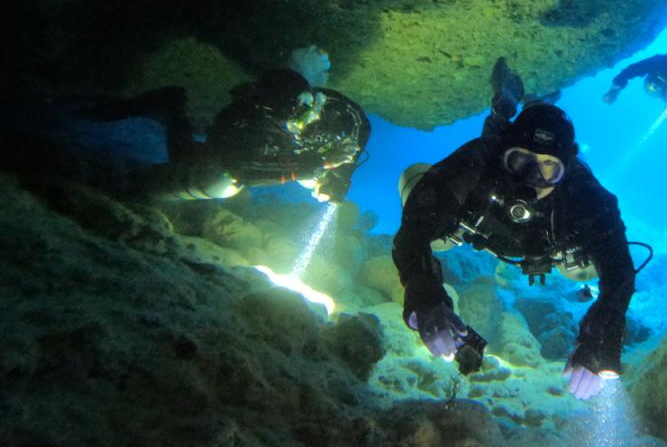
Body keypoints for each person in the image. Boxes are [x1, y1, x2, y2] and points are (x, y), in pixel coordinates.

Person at [392, 60, 636, 400]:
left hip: (552, 245)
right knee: (418, 193)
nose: (530, 181)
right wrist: (424, 294)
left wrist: (602, 333)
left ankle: (526, 107)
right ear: (504, 153)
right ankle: (504, 107)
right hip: (476, 218)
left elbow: (619, 270)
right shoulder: (481, 159)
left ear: (568, 169)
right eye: (520, 161)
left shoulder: (586, 195)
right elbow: (414, 228)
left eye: (548, 169)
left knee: (583, 271)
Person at [91, 59, 370, 204]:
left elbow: (359, 122)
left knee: (311, 173)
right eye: (292, 114)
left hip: (282, 153)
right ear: (268, 111)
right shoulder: (244, 120)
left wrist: (341, 176)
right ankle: (173, 108)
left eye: (305, 107)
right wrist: (318, 165)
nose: (304, 116)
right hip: (227, 152)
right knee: (218, 181)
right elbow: (243, 169)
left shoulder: (329, 105)